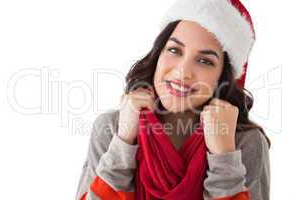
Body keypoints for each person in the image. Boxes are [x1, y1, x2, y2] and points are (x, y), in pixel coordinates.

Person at [75, 0, 271, 199]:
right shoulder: (111, 127)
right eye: (174, 50)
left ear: (223, 77)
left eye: (205, 61)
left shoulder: (246, 142)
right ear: (158, 54)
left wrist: (224, 157)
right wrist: (122, 144)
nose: (182, 71)